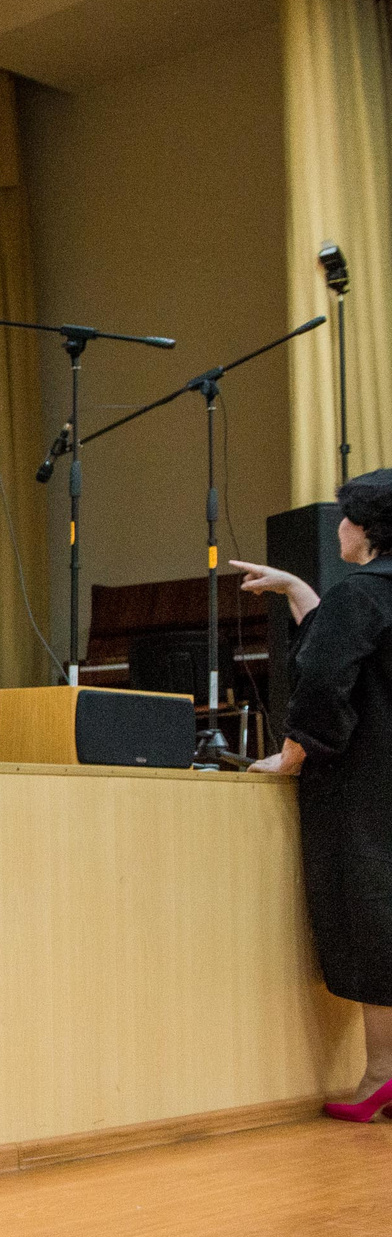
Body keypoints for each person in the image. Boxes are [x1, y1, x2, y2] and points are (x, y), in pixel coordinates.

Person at [235, 468, 392, 1121]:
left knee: (371, 915)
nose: (339, 527)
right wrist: (300, 590)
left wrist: (294, 752)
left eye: (346, 516)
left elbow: (326, 680)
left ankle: (380, 1072)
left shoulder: (360, 593)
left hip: (363, 783)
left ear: (366, 527)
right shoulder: (367, 596)